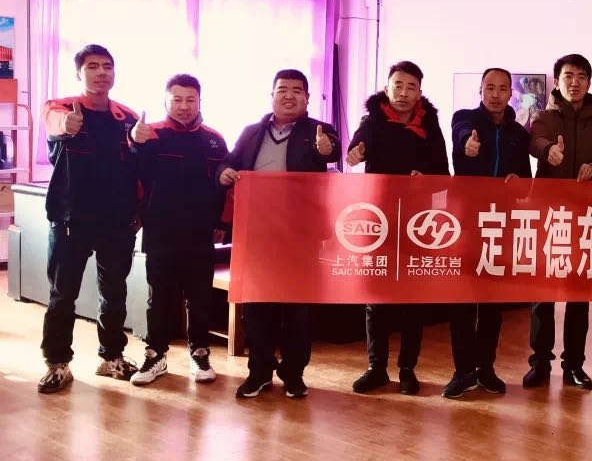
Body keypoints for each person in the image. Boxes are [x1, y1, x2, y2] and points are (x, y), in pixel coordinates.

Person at [218, 69, 341, 399]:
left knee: (298, 309)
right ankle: (259, 371)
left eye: (297, 90)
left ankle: (293, 373)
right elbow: (227, 163)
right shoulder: (251, 132)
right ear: (271, 95)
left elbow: (333, 151)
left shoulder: (318, 130)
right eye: (282, 89)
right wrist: (224, 172)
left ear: (307, 98)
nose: (289, 95)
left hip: (301, 235)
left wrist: (326, 148)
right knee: (257, 306)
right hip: (258, 233)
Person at [37, 44, 141, 393]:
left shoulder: (127, 118)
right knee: (62, 295)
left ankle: (111, 357)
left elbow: (141, 169)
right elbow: (52, 122)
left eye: (107, 66)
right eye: (92, 66)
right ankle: (57, 363)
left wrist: (140, 210)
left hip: (117, 222)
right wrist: (66, 126)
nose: (101, 72)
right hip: (70, 220)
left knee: (114, 293)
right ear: (79, 73)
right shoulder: (62, 108)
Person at [347, 60, 449, 396]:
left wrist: (426, 177)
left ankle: (407, 369)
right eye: (398, 86)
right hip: (379, 219)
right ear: (387, 88)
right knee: (376, 297)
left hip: (417, 221)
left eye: (410, 87)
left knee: (412, 298)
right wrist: (356, 151)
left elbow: (442, 171)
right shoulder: (373, 119)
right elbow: (359, 143)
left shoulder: (429, 124)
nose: (403, 93)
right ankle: (376, 368)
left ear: (419, 92)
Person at [129, 74, 228, 386]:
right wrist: (135, 142)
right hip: (160, 230)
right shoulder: (150, 134)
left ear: (199, 101)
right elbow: (135, 175)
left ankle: (199, 353)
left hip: (200, 232)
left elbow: (224, 185)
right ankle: (155, 355)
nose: (184, 106)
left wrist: (221, 223)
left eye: (190, 100)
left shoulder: (214, 140)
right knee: (159, 297)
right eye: (177, 99)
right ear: (166, 100)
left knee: (199, 297)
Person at [525, 53, 592, 391]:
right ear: (557, 81)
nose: (574, 82)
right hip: (549, 218)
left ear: (589, 82)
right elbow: (534, 141)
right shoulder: (542, 117)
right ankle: (540, 363)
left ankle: (574, 365)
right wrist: (549, 150)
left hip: (586, 218)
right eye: (567, 76)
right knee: (542, 294)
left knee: (579, 296)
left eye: (581, 76)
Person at [443, 67, 532, 399]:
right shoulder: (464, 119)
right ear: (480, 90)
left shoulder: (518, 133)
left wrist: (519, 182)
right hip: (467, 222)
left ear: (511, 93)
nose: (495, 94)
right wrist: (468, 145)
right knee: (463, 300)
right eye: (489, 87)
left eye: (502, 88)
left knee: (493, 301)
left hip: (501, 224)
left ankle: (486, 368)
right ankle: (462, 371)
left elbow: (525, 182)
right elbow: (461, 135)